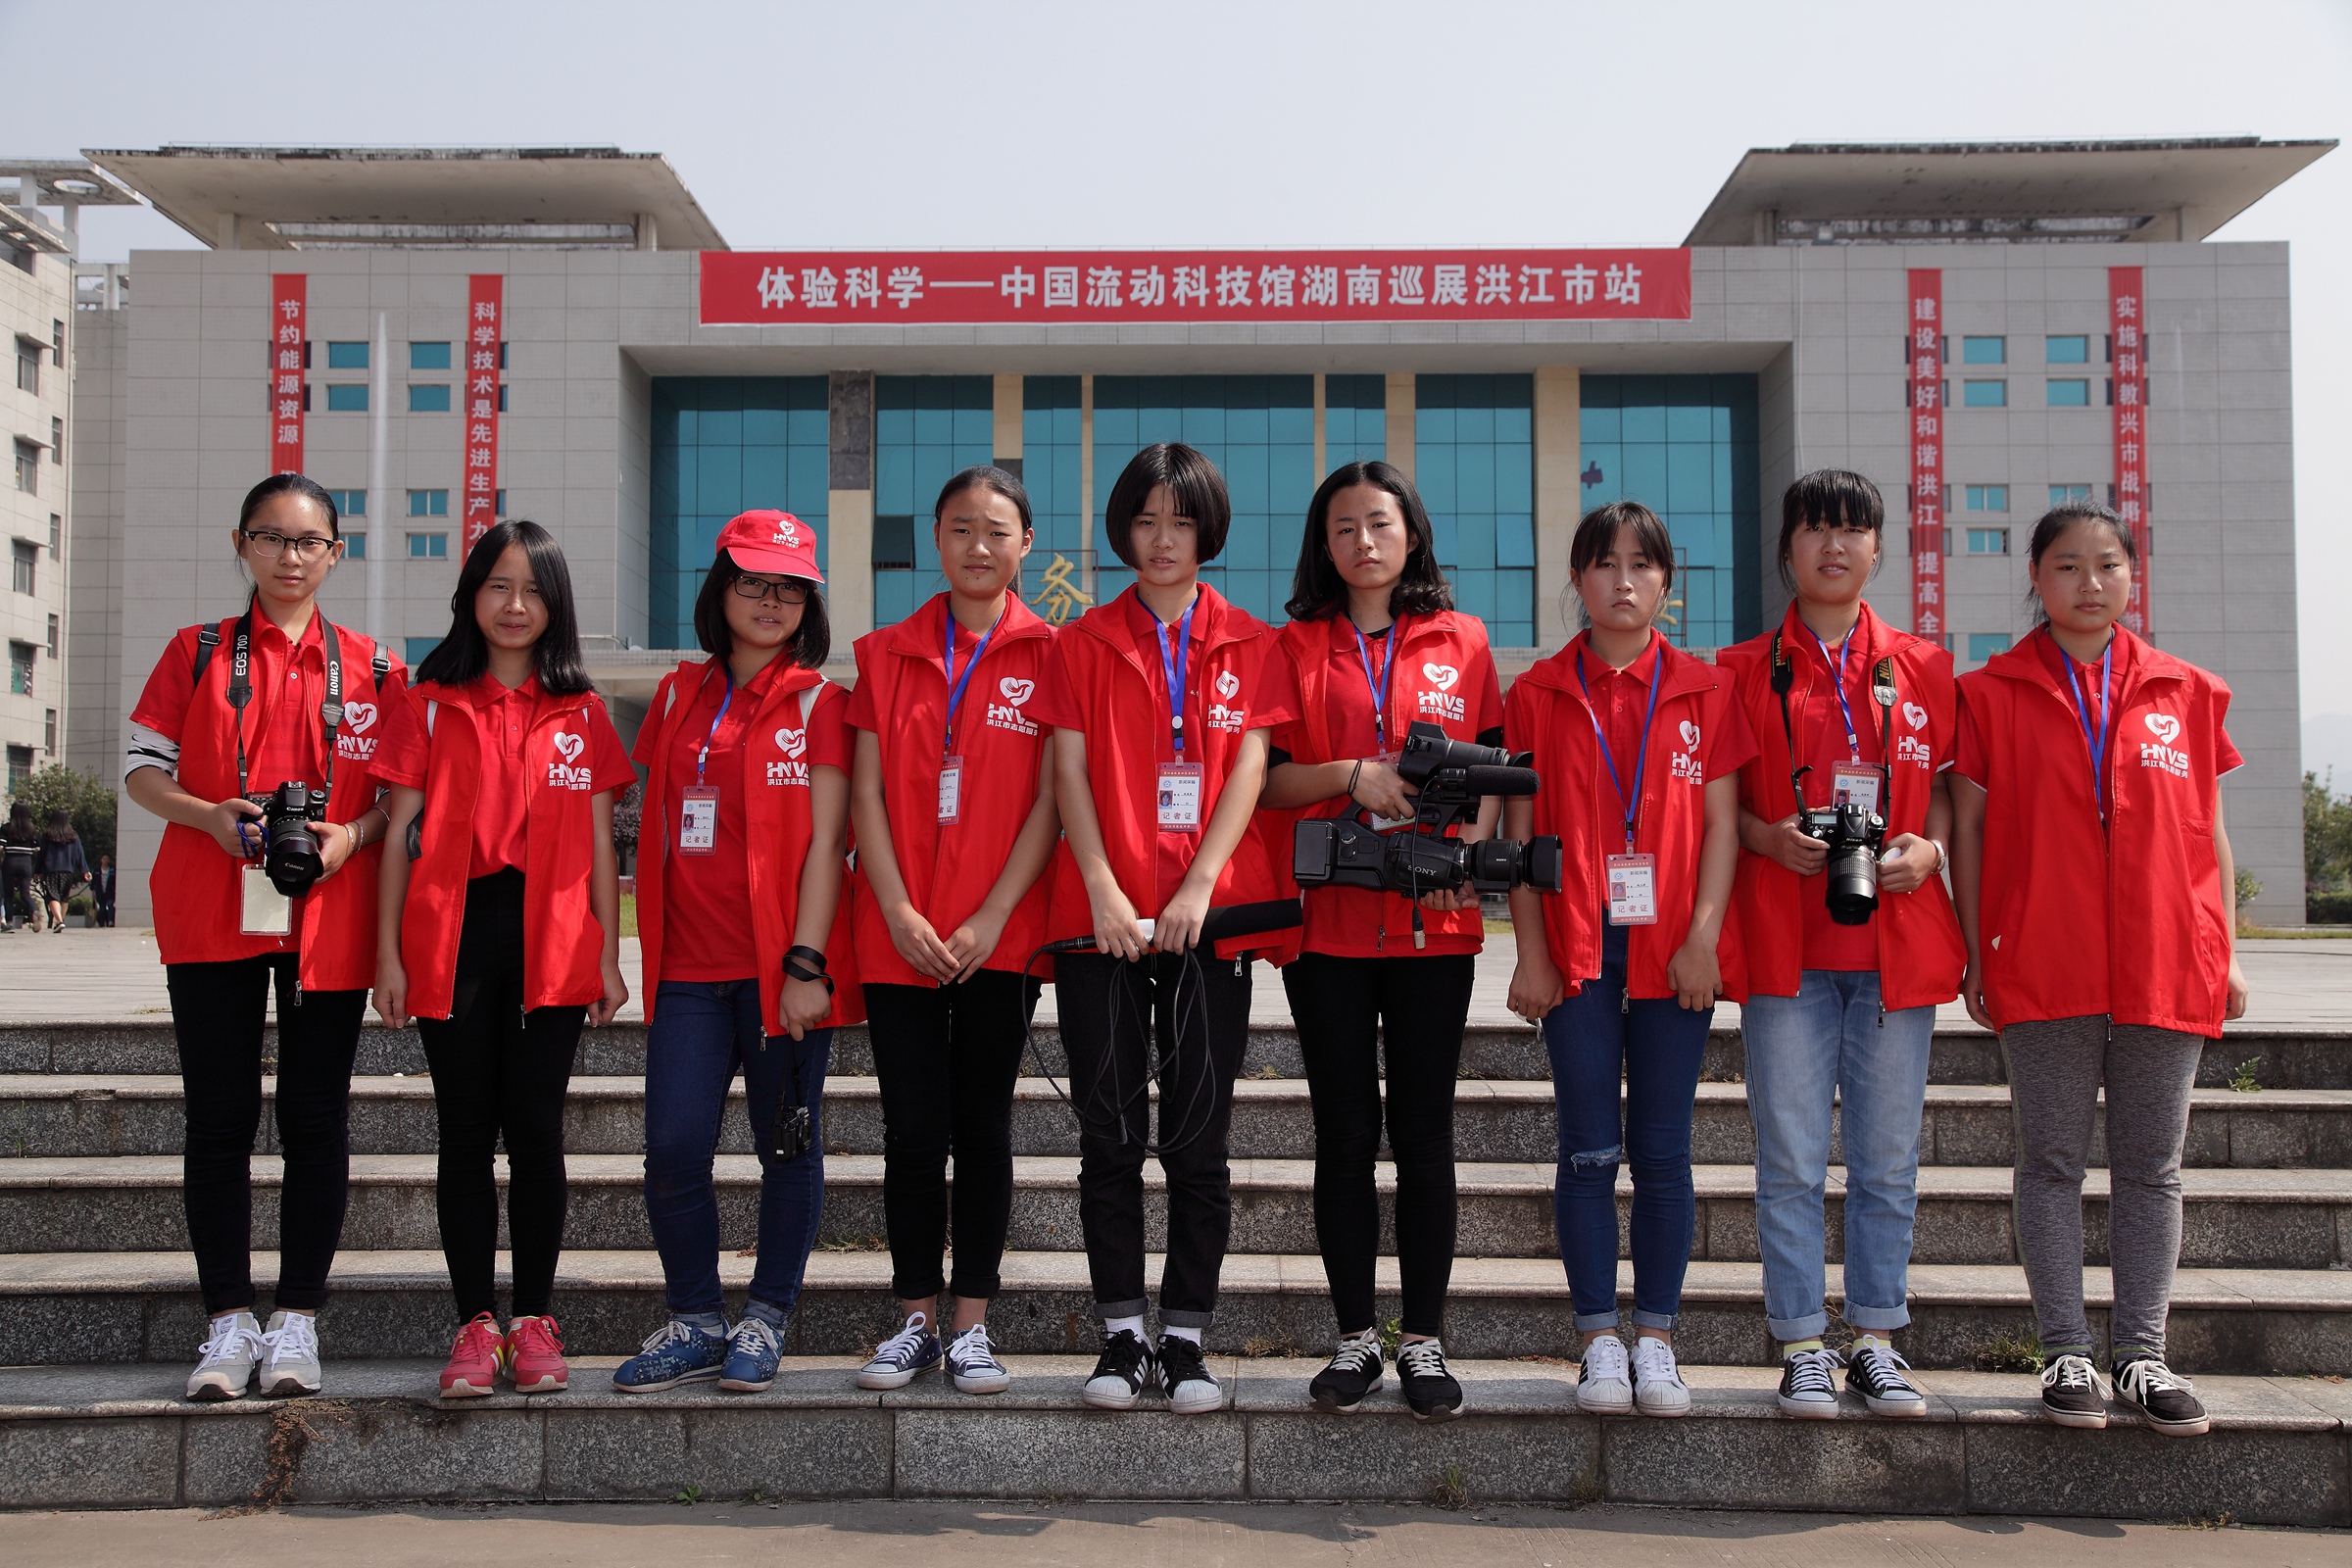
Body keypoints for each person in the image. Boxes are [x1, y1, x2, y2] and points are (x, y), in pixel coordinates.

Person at [1951, 501, 2247, 1439]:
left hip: (2166, 959)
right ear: (2036, 579)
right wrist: (1977, 952)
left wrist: (2226, 951)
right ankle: (2065, 1351)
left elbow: (2211, 834)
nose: (2090, 582)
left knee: (2152, 1167)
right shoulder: (1988, 693)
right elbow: (1970, 832)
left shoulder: (2188, 692)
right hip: (2044, 957)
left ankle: (2143, 1356)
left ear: (2132, 575)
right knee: (2050, 1162)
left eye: (2108, 564)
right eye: (2068, 565)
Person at [122, 472, 405, 1401]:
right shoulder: (197, 651)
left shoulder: (375, 668)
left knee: (315, 1117)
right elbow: (142, 772)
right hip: (212, 907)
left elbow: (401, 799)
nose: (290, 556)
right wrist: (209, 815)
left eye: (308, 541)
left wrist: (349, 835)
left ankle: (297, 1320)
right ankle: (228, 1320)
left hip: (329, 914)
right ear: (240, 544)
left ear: (336, 553)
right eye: (270, 537)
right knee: (219, 1117)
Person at [1032, 442, 1290, 1415]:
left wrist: (1202, 887)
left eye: (1181, 522)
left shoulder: (1250, 641)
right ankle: (1119, 1334)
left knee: (1197, 1137)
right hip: (1100, 923)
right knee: (1109, 1135)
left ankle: (1184, 1337)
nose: (1163, 540)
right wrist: (1102, 886)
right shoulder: (1082, 641)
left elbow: (1250, 769)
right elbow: (1068, 771)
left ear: (1207, 531)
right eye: (1145, 521)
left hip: (1205, 923)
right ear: (1122, 530)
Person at [1256, 461, 1502, 1421]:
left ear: (1413, 533)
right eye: (1344, 526)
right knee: (1346, 1134)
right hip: (1329, 929)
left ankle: (1424, 1340)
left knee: (1426, 1135)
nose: (1363, 541)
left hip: (1435, 925)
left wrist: (1466, 852)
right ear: (1324, 544)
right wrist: (1349, 773)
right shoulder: (1292, 645)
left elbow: (1494, 772)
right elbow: (1268, 782)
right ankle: (1356, 1338)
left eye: (1380, 522)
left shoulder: (1463, 638)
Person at [1717, 470, 1964, 1420]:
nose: (1834, 545)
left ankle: (1875, 1340)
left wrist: (1931, 849)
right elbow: (1718, 807)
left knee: (1887, 1161)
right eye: (1815, 529)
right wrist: (1768, 838)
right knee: (1789, 1158)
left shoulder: (1925, 666)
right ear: (1787, 549)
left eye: (1852, 530)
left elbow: (1951, 792)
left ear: (1877, 549)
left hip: (1896, 946)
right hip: (1787, 946)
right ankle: (1800, 1345)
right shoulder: (1742, 670)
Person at [371, 519, 634, 1399]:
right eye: (498, 586)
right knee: (463, 1133)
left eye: (532, 590)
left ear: (555, 605)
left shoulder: (582, 711)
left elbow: (598, 846)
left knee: (537, 1132)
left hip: (552, 938)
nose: (515, 605)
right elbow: (398, 839)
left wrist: (610, 956)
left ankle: (534, 1320)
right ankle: (474, 1323)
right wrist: (388, 957)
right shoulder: (427, 702)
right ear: (471, 596)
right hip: (453, 937)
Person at [1503, 500, 1750, 1419]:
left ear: (1665, 582)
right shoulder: (1537, 693)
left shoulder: (1704, 689)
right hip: (1577, 945)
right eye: (1604, 563)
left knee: (1664, 1150)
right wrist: (1532, 953)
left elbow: (1722, 827)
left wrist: (1703, 940)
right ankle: (1598, 1338)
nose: (1622, 580)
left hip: (1674, 950)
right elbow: (1519, 842)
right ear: (1577, 578)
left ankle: (1657, 1338)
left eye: (1641, 564)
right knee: (1586, 1148)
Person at [611, 510, 861, 1396]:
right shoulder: (676, 696)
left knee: (786, 1146)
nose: (770, 600)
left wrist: (806, 964)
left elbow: (830, 843)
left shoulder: (821, 704)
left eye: (790, 587)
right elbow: (654, 824)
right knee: (674, 1149)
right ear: (720, 590)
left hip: (779, 974)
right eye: (753, 581)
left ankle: (766, 1316)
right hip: (687, 970)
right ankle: (695, 1318)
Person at [847, 467, 1060, 1397]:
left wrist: (993, 913)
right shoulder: (884, 653)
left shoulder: (1053, 654)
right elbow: (863, 794)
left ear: (1026, 546)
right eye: (961, 528)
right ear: (936, 539)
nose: (979, 545)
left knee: (982, 1129)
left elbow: (1052, 800)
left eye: (997, 530)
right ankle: (913, 1321)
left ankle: (971, 1324)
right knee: (910, 1131)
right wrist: (897, 909)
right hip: (897, 935)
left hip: (999, 940)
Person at [37, 808, 89, 932]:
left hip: (51, 870)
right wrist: (84, 870)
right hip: (68, 870)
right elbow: (79, 853)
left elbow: (41, 854)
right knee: (64, 897)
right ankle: (60, 921)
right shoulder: (73, 836)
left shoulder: (48, 835)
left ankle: (59, 921)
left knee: (52, 896)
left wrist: (37, 870)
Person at [3, 802, 39, 931]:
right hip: (25, 862)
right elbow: (37, 847)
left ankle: (9, 923)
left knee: (8, 894)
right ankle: (34, 910)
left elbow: (1, 845)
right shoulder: (31, 829)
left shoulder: (6, 828)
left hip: (10, 861)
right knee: (25, 893)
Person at [95, 853, 118, 927]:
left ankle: (110, 921)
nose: (105, 860)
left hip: (109, 892)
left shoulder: (112, 870)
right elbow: (93, 882)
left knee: (110, 905)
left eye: (107, 858)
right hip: (100, 892)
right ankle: (101, 922)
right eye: (104, 858)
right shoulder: (97, 870)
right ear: (101, 860)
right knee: (102, 908)